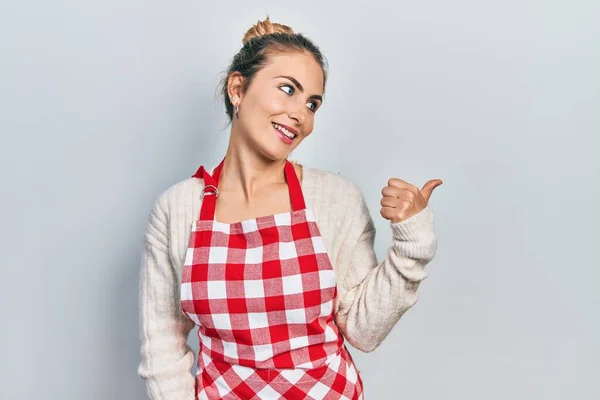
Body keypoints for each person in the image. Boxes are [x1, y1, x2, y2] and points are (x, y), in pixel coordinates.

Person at [138, 16, 442, 400]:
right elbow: (162, 345)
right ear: (237, 88)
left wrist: (412, 247)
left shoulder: (335, 198)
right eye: (287, 89)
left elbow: (364, 331)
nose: (301, 114)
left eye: (312, 103)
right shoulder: (177, 208)